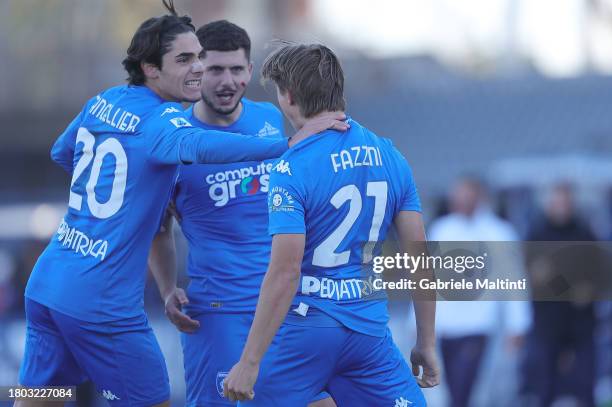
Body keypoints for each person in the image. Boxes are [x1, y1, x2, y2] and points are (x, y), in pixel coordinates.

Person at [16, 2, 347, 405]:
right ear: (151, 69)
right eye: (186, 60)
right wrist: (288, 144)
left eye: (199, 59)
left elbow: (62, 152)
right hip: (106, 302)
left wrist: (125, 196)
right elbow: (194, 143)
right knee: (155, 400)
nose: (197, 69)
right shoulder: (164, 120)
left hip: (49, 284)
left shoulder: (101, 101)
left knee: (37, 398)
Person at [222, 43, 440, 406]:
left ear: (289, 96)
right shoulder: (390, 155)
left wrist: (249, 361)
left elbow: (285, 272)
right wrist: (426, 343)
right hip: (368, 334)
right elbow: (418, 260)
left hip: (306, 335)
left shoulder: (291, 168)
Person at [148, 20, 334, 407]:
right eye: (215, 69)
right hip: (219, 313)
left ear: (250, 70)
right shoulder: (175, 137)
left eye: (236, 69)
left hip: (286, 304)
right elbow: (157, 229)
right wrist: (167, 289)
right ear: (196, 70)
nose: (227, 81)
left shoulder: (268, 118)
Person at [428, 177, 530, 407]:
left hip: (479, 324)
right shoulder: (442, 230)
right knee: (451, 391)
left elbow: (514, 280)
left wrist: (518, 323)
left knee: (467, 391)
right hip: (445, 326)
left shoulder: (498, 232)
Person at [522, 182, 597, 407]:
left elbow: (595, 271)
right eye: (557, 202)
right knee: (546, 388)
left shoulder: (585, 232)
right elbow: (539, 273)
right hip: (548, 324)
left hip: (582, 325)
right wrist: (569, 290)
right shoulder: (537, 234)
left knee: (586, 386)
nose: (562, 207)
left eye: (566, 202)